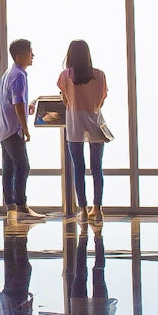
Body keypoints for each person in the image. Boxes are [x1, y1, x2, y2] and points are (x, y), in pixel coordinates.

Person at [57, 40, 110, 222]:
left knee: (78, 168)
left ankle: (84, 210)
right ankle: (98, 208)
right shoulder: (100, 75)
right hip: (94, 123)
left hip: (74, 124)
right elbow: (102, 100)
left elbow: (65, 101)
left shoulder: (65, 76)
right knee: (97, 168)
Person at [0, 39, 45, 222]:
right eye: (29, 52)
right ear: (19, 56)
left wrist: (27, 108)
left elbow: (12, 101)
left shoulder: (9, 73)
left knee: (9, 168)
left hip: (4, 128)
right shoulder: (19, 76)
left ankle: (11, 207)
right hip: (13, 129)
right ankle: (21, 206)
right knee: (23, 166)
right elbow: (17, 104)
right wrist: (25, 129)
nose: (33, 55)